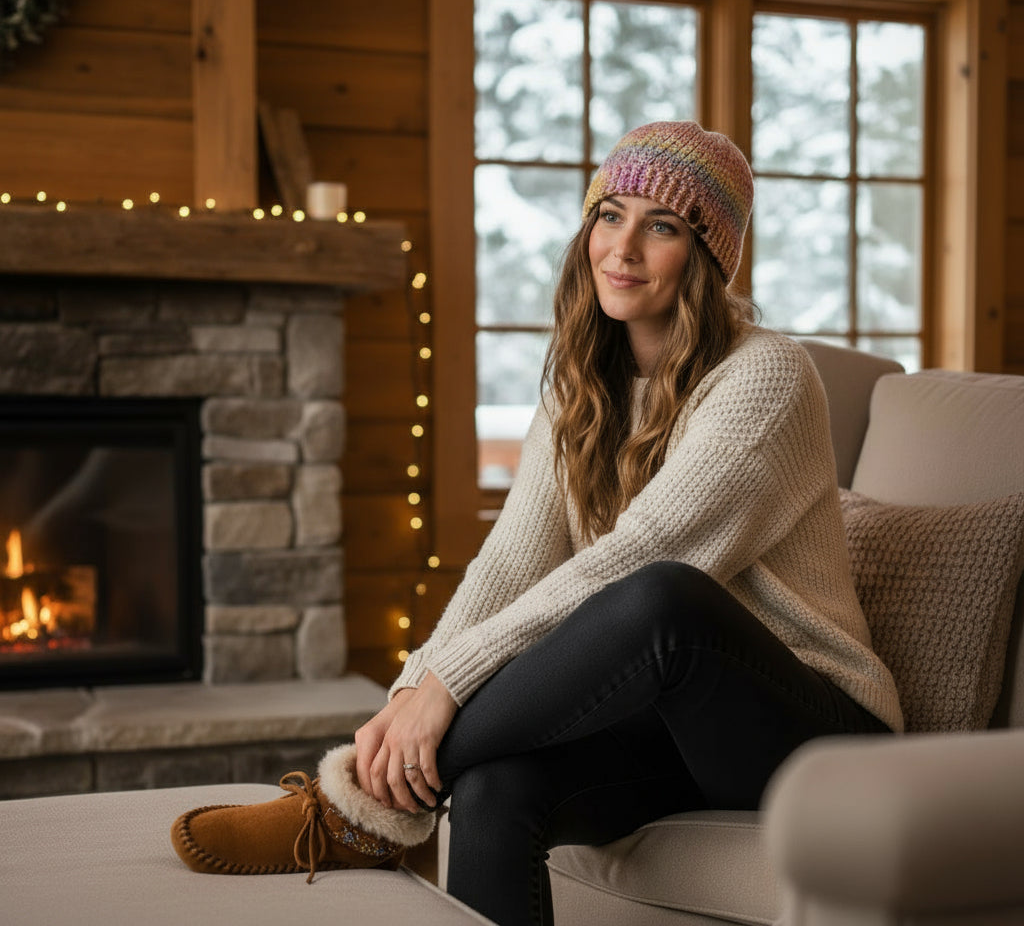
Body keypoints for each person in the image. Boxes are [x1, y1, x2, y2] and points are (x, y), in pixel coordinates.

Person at [171, 121, 903, 926]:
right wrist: (418, 684)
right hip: (673, 729)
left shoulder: (766, 374)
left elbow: (643, 555)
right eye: (609, 214)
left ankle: (352, 808)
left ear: (706, 256)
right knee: (492, 791)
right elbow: (510, 561)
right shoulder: (581, 381)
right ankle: (380, 803)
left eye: (661, 227)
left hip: (813, 736)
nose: (621, 248)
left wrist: (450, 688)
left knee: (662, 598)